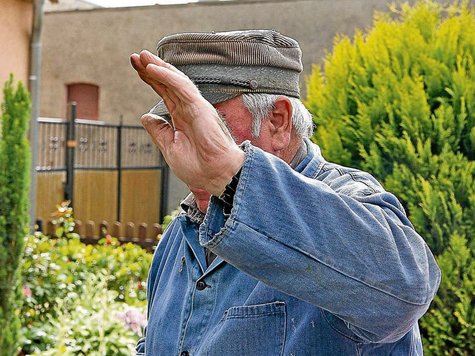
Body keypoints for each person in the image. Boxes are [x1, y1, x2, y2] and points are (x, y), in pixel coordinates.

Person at [130, 29, 440, 355]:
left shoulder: (348, 196)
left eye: (208, 125)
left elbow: (407, 290)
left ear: (278, 121)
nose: (188, 146)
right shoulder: (180, 232)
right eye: (177, 123)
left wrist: (231, 177)